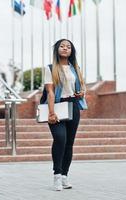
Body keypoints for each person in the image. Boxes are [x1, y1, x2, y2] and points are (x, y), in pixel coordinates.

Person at [44, 39, 87, 191]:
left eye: (68, 47)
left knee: (69, 143)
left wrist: (81, 93)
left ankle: (64, 176)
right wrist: (51, 112)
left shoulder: (75, 68)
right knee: (60, 139)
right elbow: (50, 91)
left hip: (73, 106)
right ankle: (57, 175)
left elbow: (80, 87)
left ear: (71, 51)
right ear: (57, 49)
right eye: (62, 46)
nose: (65, 48)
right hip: (56, 107)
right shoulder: (50, 68)